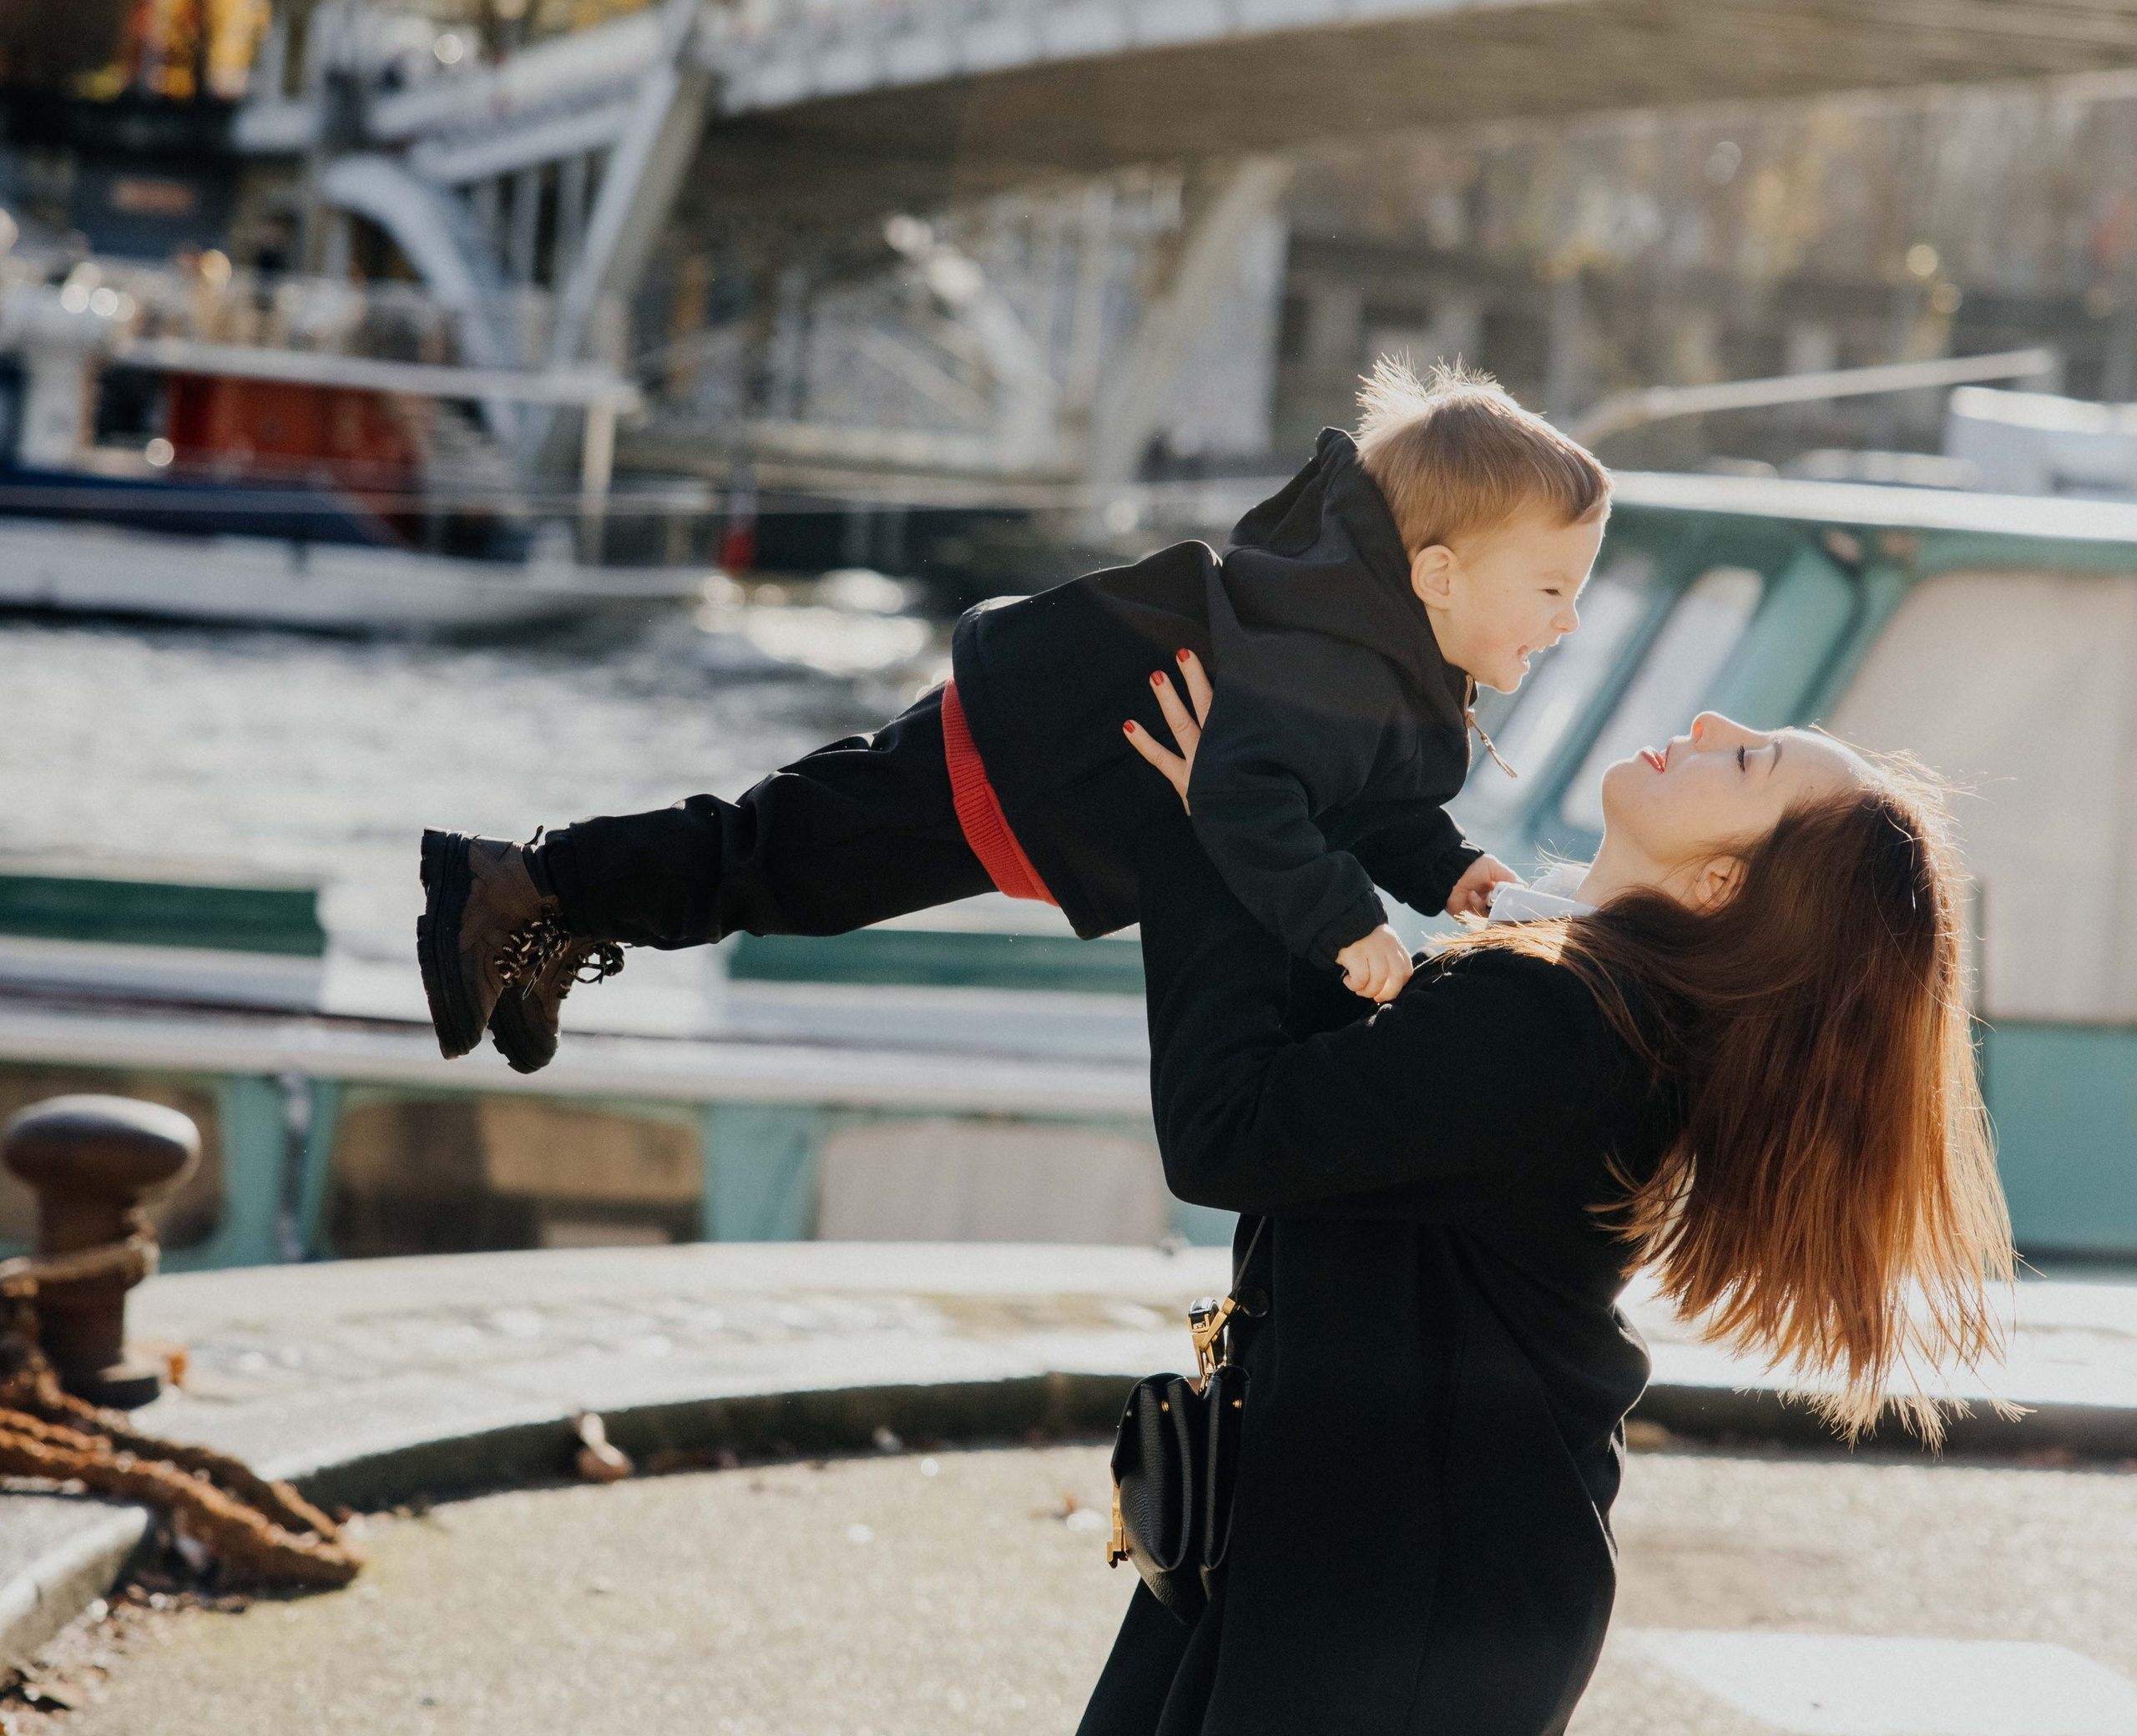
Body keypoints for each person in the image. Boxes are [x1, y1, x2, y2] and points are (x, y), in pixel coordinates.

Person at [1082, 662, 2013, 1736]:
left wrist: (1220, 824)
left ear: (1722, 886)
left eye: (1748, 758)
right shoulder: (1595, 1009)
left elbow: (1232, 1131)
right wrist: (1258, 814)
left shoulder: (1552, 1015)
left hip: (1391, 1591)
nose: (1712, 719)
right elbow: (1314, 1084)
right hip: (1400, 1568)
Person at [415, 361, 1609, 1071]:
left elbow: (1351, 795)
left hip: (1023, 764)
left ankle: (559, 911)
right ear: (1441, 576)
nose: (1567, 622)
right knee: (776, 864)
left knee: (782, 859)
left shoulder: (1373, 653)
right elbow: (1248, 789)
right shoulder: (1347, 663)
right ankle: (520, 888)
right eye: (1552, 590)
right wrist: (1349, 922)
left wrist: (1445, 867)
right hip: (1016, 772)